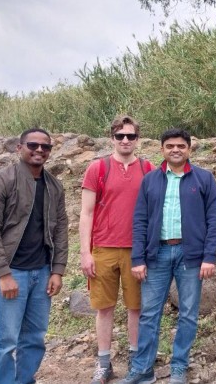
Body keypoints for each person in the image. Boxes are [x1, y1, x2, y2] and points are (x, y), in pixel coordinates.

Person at [121, 128, 216, 384]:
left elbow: (214, 221)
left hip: (191, 255)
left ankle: (179, 366)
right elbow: (140, 220)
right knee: (149, 314)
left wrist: (209, 256)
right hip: (157, 254)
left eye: (180, 145)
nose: (175, 150)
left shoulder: (204, 179)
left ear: (189, 148)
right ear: (162, 149)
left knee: (188, 313)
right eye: (169, 146)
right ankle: (143, 369)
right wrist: (138, 259)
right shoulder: (151, 180)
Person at [0, 128, 69, 384]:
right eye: (33, 145)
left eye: (45, 147)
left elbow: (60, 229)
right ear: (19, 148)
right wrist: (3, 274)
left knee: (34, 338)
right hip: (11, 271)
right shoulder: (0, 182)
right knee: (5, 341)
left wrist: (57, 270)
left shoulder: (54, 186)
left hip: (41, 273)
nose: (39, 150)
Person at [79, 115, 154, 383]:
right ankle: (103, 363)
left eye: (130, 136)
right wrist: (85, 252)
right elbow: (86, 213)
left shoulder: (148, 168)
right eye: (120, 136)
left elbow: (155, 210)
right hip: (103, 248)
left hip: (137, 250)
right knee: (105, 308)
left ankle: (136, 360)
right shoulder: (98, 168)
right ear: (112, 138)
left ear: (137, 139)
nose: (125, 140)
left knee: (136, 308)